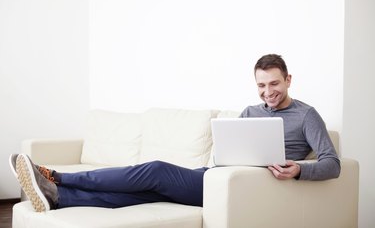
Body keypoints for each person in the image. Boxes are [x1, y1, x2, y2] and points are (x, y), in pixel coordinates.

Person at [10, 54, 340, 212]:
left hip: (247, 188)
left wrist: (299, 169)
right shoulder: (251, 113)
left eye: (274, 84)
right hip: (216, 175)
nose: (268, 92)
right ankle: (60, 198)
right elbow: (229, 151)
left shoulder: (306, 115)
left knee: (154, 170)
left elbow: (332, 163)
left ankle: (56, 177)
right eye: (261, 85)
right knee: (144, 193)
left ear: (289, 80)